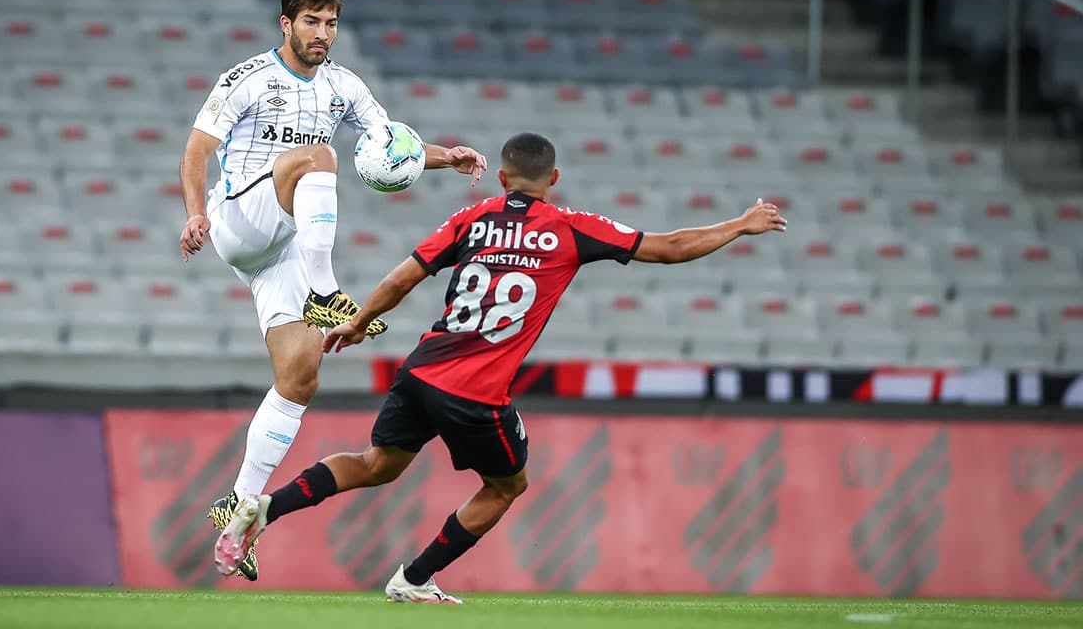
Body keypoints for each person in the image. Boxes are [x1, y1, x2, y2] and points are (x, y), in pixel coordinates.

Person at [212, 132, 788, 601]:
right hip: (477, 392)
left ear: (504, 178)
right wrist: (737, 225)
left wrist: (359, 321)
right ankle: (413, 578)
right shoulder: (570, 227)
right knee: (509, 483)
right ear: (553, 181)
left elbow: (402, 277)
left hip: (422, 369)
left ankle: (263, 506)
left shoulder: (472, 217)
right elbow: (668, 246)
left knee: (377, 463)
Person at [177, 0, 488, 581]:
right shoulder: (246, 79)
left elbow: (386, 143)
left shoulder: (344, 85)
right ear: (286, 24)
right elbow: (196, 152)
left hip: (284, 245)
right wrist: (194, 214)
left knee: (301, 376)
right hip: (239, 218)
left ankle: (238, 509)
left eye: (331, 24)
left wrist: (443, 155)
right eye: (312, 22)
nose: (323, 34)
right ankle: (326, 292)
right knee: (319, 155)